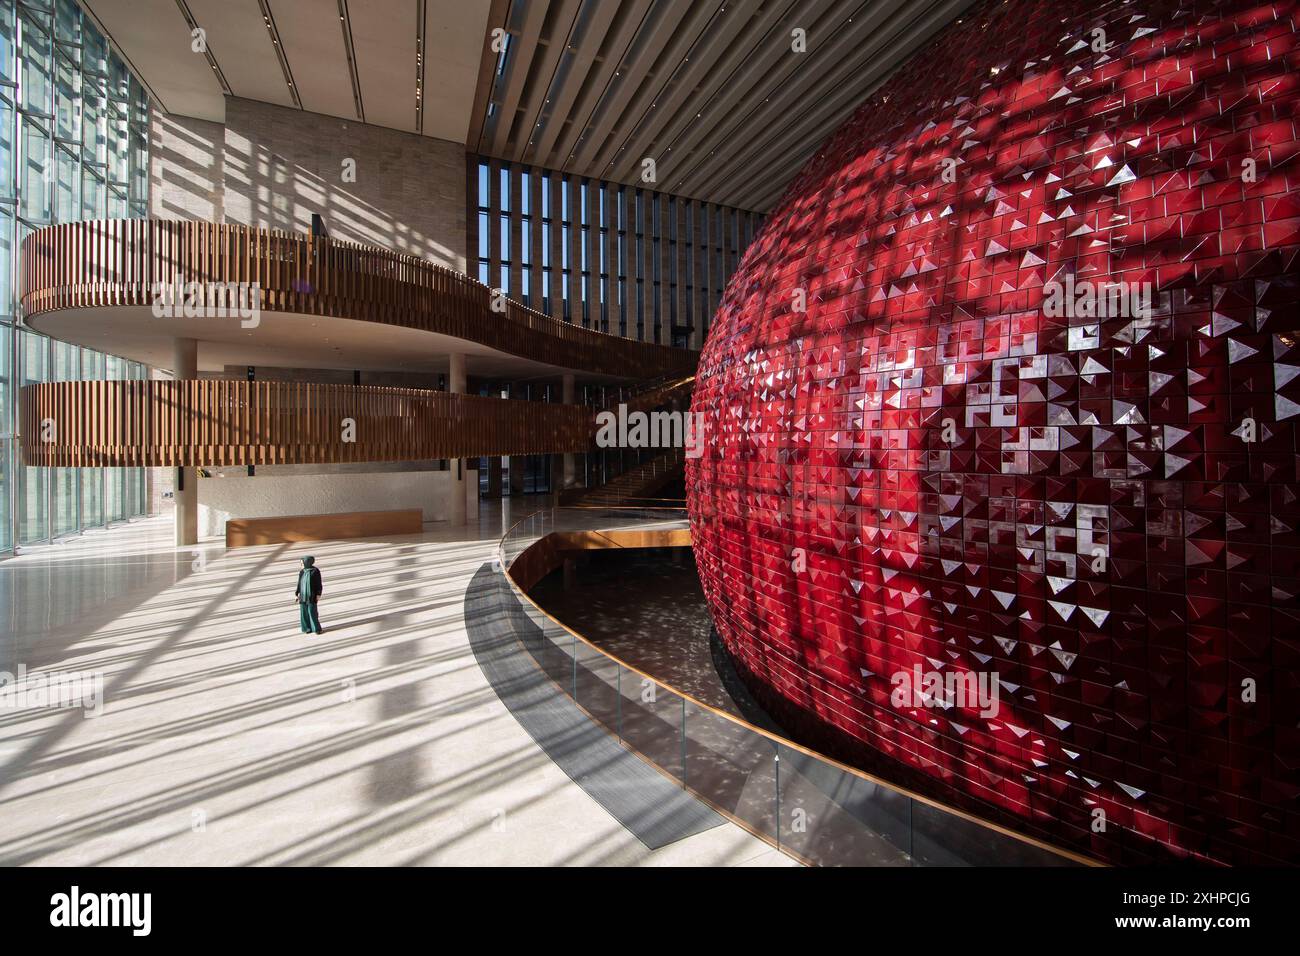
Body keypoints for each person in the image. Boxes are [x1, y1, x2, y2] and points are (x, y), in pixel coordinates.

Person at [294, 555, 324, 634]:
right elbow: (299, 583)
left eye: (302, 563)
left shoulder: (315, 571)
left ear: (307, 562)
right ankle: (306, 628)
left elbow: (318, 583)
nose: (301, 565)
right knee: (304, 613)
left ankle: (316, 629)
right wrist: (297, 593)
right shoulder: (302, 572)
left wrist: (318, 594)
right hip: (303, 596)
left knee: (312, 612)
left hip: (311, 596)